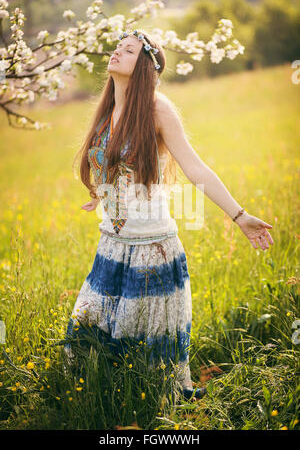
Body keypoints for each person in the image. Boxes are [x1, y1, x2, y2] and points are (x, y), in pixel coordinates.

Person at [64, 29, 274, 401]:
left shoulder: (157, 108)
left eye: (127, 51)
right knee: (91, 345)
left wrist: (239, 216)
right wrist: (101, 194)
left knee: (150, 366)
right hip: (112, 247)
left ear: (144, 65)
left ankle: (154, 407)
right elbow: (114, 164)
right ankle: (105, 400)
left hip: (151, 250)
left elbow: (195, 168)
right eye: (116, 48)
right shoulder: (109, 109)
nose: (115, 53)